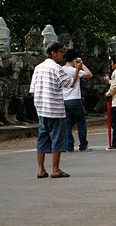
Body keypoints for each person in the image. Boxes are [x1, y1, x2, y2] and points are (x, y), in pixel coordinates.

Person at [29, 42, 80, 178]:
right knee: (57, 138)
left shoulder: (38, 68)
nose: (62, 54)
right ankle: (55, 169)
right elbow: (70, 84)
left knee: (42, 138)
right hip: (55, 109)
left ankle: (40, 169)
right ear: (53, 53)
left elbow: (33, 90)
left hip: (41, 109)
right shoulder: (57, 68)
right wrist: (77, 71)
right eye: (61, 52)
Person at [62, 49, 92, 151]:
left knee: (67, 124)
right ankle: (83, 144)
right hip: (75, 99)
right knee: (81, 122)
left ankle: (69, 145)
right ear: (75, 60)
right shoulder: (74, 71)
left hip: (64, 100)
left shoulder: (61, 69)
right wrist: (81, 65)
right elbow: (89, 74)